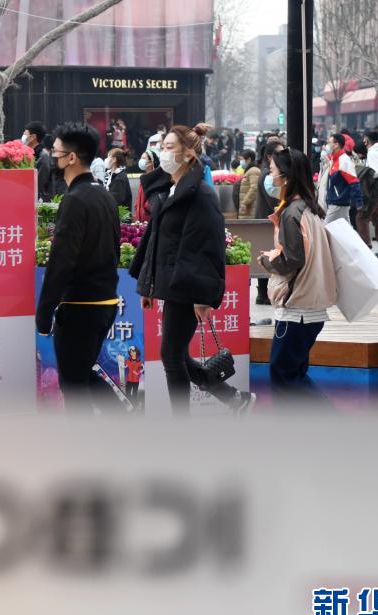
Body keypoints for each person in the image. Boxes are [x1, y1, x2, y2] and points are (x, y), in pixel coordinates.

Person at [129, 124, 256, 417]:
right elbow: (155, 239)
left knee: (171, 356)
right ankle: (233, 398)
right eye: (162, 146)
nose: (163, 153)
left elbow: (207, 248)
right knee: (175, 355)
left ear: (188, 154)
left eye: (169, 147)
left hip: (187, 286)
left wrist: (202, 297)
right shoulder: (170, 190)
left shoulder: (201, 195)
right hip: (173, 283)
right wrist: (148, 285)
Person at [36, 122, 120, 414]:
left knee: (73, 384)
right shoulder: (104, 195)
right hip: (105, 302)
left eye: (56, 152)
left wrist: (44, 312)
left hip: (80, 307)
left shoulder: (74, 200)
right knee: (82, 374)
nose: (52, 157)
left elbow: (61, 262)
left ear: (71, 157)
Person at [257, 148, 336, 403]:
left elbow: (292, 260)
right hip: (310, 305)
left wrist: (268, 261)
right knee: (294, 373)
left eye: (272, 170)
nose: (269, 175)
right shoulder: (309, 208)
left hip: (296, 308)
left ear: (286, 176)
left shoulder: (292, 212)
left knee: (283, 375)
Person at [254, 139, 286, 304]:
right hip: (268, 221)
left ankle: (263, 293)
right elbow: (274, 201)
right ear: (269, 157)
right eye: (279, 153)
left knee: (267, 253)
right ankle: (263, 293)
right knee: (267, 254)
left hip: (267, 220)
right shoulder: (268, 176)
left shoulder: (268, 173)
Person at [321, 133, 363, 224]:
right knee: (346, 228)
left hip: (338, 202)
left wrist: (359, 203)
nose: (326, 145)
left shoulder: (344, 161)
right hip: (338, 201)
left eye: (329, 143)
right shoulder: (334, 159)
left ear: (336, 145)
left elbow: (354, 182)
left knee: (325, 228)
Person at [23, 121, 52, 201]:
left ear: (33, 137)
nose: (23, 135)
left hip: (37, 199)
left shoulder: (42, 156)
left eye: (25, 133)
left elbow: (40, 182)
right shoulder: (27, 153)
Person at [238, 149, 261, 218]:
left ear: (249, 159)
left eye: (242, 159)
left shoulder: (253, 171)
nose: (241, 162)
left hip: (250, 208)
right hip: (247, 208)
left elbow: (254, 188)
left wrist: (245, 202)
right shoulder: (249, 171)